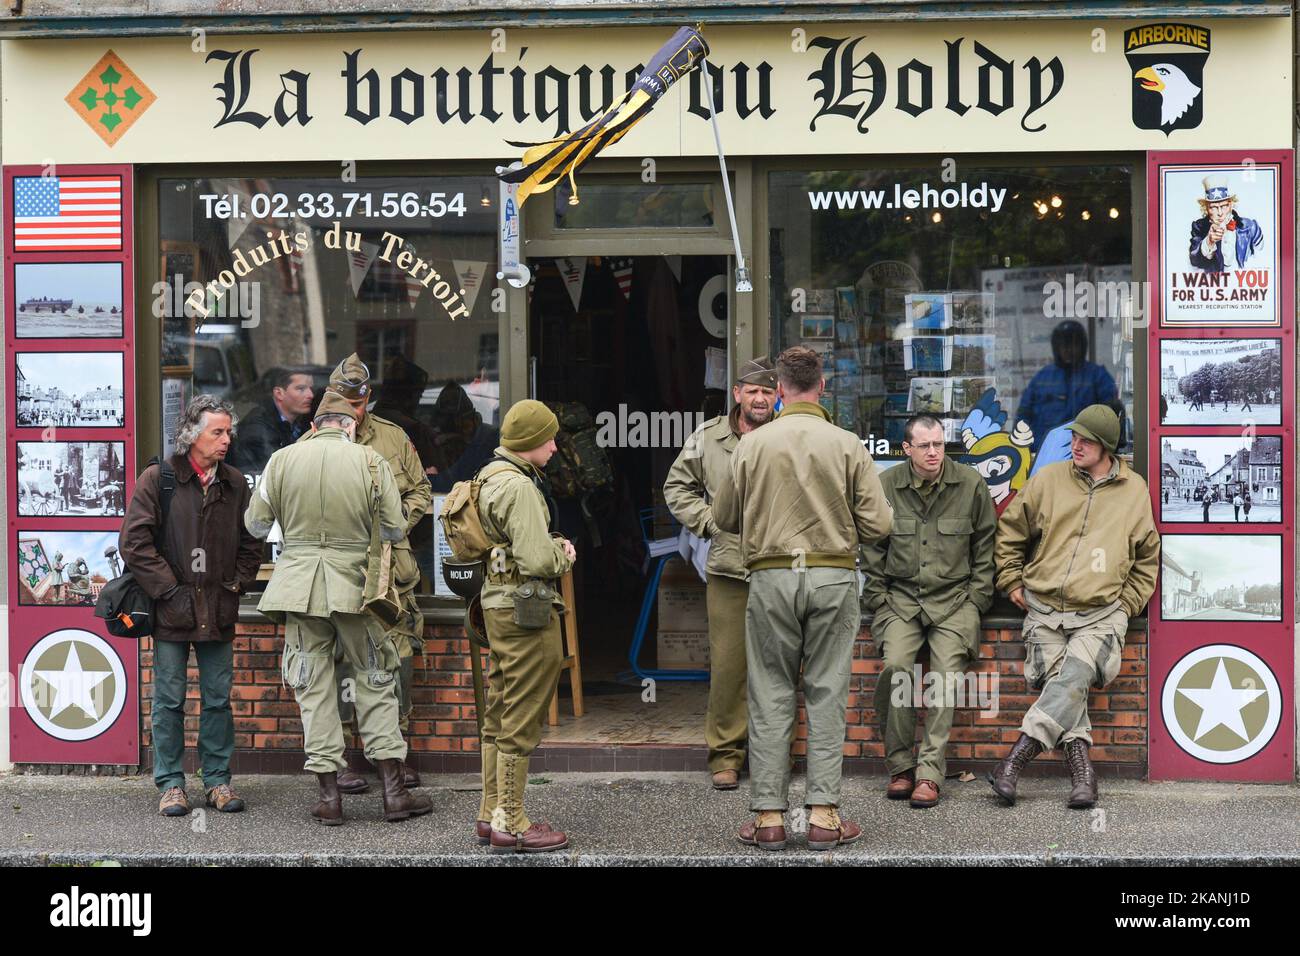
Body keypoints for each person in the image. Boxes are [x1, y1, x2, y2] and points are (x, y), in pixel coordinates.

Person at [712, 346, 892, 851]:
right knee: (827, 692)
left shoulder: (752, 444)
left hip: (770, 577)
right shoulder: (848, 443)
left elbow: (725, 517)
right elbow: (880, 525)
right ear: (823, 386)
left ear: (781, 390)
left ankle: (768, 816)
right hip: (833, 576)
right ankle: (824, 816)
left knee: (769, 691)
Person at [244, 391, 431, 825]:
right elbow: (393, 526)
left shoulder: (282, 460)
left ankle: (330, 798)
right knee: (376, 679)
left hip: (299, 589)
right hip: (357, 588)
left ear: (315, 425)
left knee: (312, 687)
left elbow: (254, 525)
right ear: (349, 426)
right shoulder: (371, 462)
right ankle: (393, 793)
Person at [990, 404, 1160, 809]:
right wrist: (1011, 577)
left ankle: (1014, 761)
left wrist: (1126, 606)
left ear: (1106, 446)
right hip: (1045, 610)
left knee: (1072, 679)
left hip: (1101, 614)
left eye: (1086, 440)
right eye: (1074, 437)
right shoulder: (1048, 479)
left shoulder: (1134, 489)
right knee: (1066, 691)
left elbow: (1146, 558)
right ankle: (1084, 776)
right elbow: (1010, 530)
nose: (1076, 445)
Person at [119, 395, 263, 818]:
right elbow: (134, 543)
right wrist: (168, 591)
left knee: (218, 699)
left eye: (228, 432)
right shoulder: (159, 478)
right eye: (216, 431)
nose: (226, 439)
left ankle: (217, 780)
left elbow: (252, 541)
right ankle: (171, 784)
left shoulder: (235, 482)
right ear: (191, 435)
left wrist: (237, 583)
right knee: (169, 699)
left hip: (218, 608)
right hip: (172, 611)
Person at [863, 414, 996, 809]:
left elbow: (985, 552)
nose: (934, 452)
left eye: (939, 443)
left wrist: (975, 601)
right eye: (925, 446)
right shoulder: (885, 486)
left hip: (955, 602)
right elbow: (871, 552)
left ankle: (929, 773)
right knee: (896, 668)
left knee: (946, 677)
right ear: (907, 450)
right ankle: (901, 767)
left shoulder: (970, 484)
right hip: (900, 601)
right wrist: (880, 601)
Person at [316, 354, 432, 794]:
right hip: (340, 567)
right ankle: (343, 759)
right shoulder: (318, 439)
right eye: (344, 399)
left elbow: (421, 488)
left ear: (369, 399)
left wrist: (396, 521)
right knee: (340, 661)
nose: (352, 409)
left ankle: (392, 759)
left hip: (391, 570)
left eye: (359, 401)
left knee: (395, 660)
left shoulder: (394, 437)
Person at [663, 356, 777, 790]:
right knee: (729, 666)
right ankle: (725, 755)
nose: (760, 398)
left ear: (777, 395)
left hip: (779, 565)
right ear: (737, 394)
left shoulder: (786, 436)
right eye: (753, 391)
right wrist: (709, 523)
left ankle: (770, 754)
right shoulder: (707, 437)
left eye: (767, 391)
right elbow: (676, 486)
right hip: (729, 567)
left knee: (775, 666)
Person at [472, 400, 576, 853]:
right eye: (548, 438)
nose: (554, 446)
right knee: (520, 716)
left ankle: (489, 812)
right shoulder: (519, 487)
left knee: (499, 712)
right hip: (524, 609)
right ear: (529, 442)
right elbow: (536, 559)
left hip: (496, 604)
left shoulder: (488, 475)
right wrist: (564, 554)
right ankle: (511, 822)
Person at [1016, 320, 1118, 453]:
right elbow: (1023, 415)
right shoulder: (1042, 378)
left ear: (1083, 346)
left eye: (1074, 344)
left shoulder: (1097, 376)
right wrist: (1022, 451)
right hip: (1045, 454)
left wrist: (1109, 452)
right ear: (1056, 347)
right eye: (1064, 345)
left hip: (1085, 456)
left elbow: (1112, 417)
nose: (1068, 349)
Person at [227, 367, 314, 474]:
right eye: (301, 389)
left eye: (310, 388)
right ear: (279, 393)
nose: (310, 395)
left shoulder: (301, 422)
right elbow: (275, 471)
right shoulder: (258, 428)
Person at [1189, 175, 1263, 273]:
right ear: (1206, 208)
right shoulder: (1199, 227)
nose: (1220, 213)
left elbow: (1262, 259)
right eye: (1214, 207)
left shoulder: (1250, 227)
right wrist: (1209, 241)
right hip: (1215, 284)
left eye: (1223, 206)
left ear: (1230, 205)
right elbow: (1194, 261)